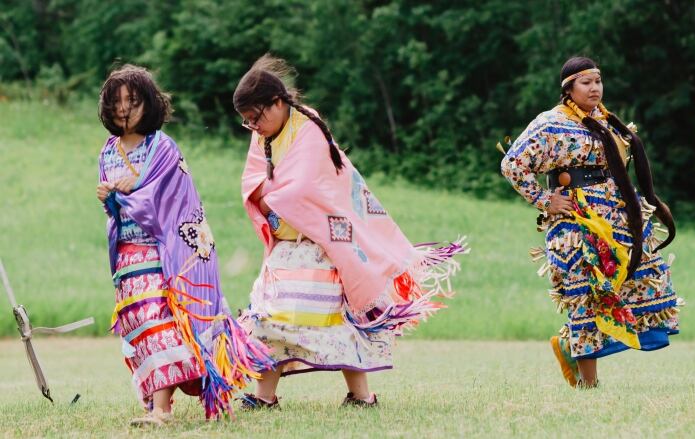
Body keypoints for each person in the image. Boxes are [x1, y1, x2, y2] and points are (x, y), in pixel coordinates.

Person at [233, 54, 468, 408]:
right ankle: (264, 396)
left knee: (334, 319)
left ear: (277, 103)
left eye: (257, 117)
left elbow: (304, 188)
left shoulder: (307, 128)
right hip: (285, 246)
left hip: (322, 244)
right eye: (247, 122)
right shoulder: (263, 136)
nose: (254, 126)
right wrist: (271, 197)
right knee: (267, 316)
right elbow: (252, 182)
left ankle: (362, 395)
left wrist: (272, 196)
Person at [96, 64, 274, 425]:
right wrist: (110, 199)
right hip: (128, 256)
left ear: (148, 103)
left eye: (132, 100)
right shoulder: (107, 152)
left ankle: (161, 410)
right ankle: (157, 403)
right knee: (138, 324)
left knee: (157, 321)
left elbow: (169, 198)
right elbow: (117, 206)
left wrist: (126, 194)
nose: (123, 108)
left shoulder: (161, 147)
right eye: (116, 101)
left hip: (166, 254)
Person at [500, 56, 682, 388]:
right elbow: (512, 164)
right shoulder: (550, 123)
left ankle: (569, 345)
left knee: (643, 278)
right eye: (586, 82)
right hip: (575, 222)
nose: (595, 88)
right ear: (568, 88)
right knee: (586, 292)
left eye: (598, 81)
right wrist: (545, 199)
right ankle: (588, 381)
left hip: (615, 215)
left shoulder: (606, 119)